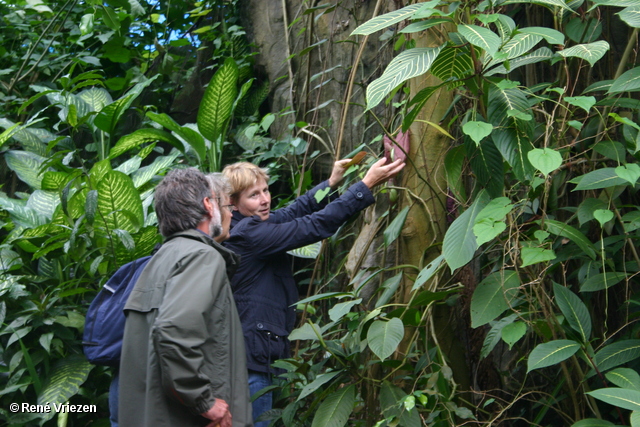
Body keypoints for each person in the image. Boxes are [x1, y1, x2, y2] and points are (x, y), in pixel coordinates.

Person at [222, 156, 405, 425]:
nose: (265, 199)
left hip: (261, 353)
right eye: (253, 195)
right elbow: (313, 225)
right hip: (252, 360)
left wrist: (331, 182)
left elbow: (292, 212)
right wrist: (365, 185)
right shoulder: (248, 235)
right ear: (233, 204)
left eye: (265, 190)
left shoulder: (251, 225)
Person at [118, 168, 252, 427]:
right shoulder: (201, 256)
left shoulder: (161, 259)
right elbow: (173, 331)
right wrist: (205, 402)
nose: (230, 212)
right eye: (224, 204)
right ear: (207, 205)